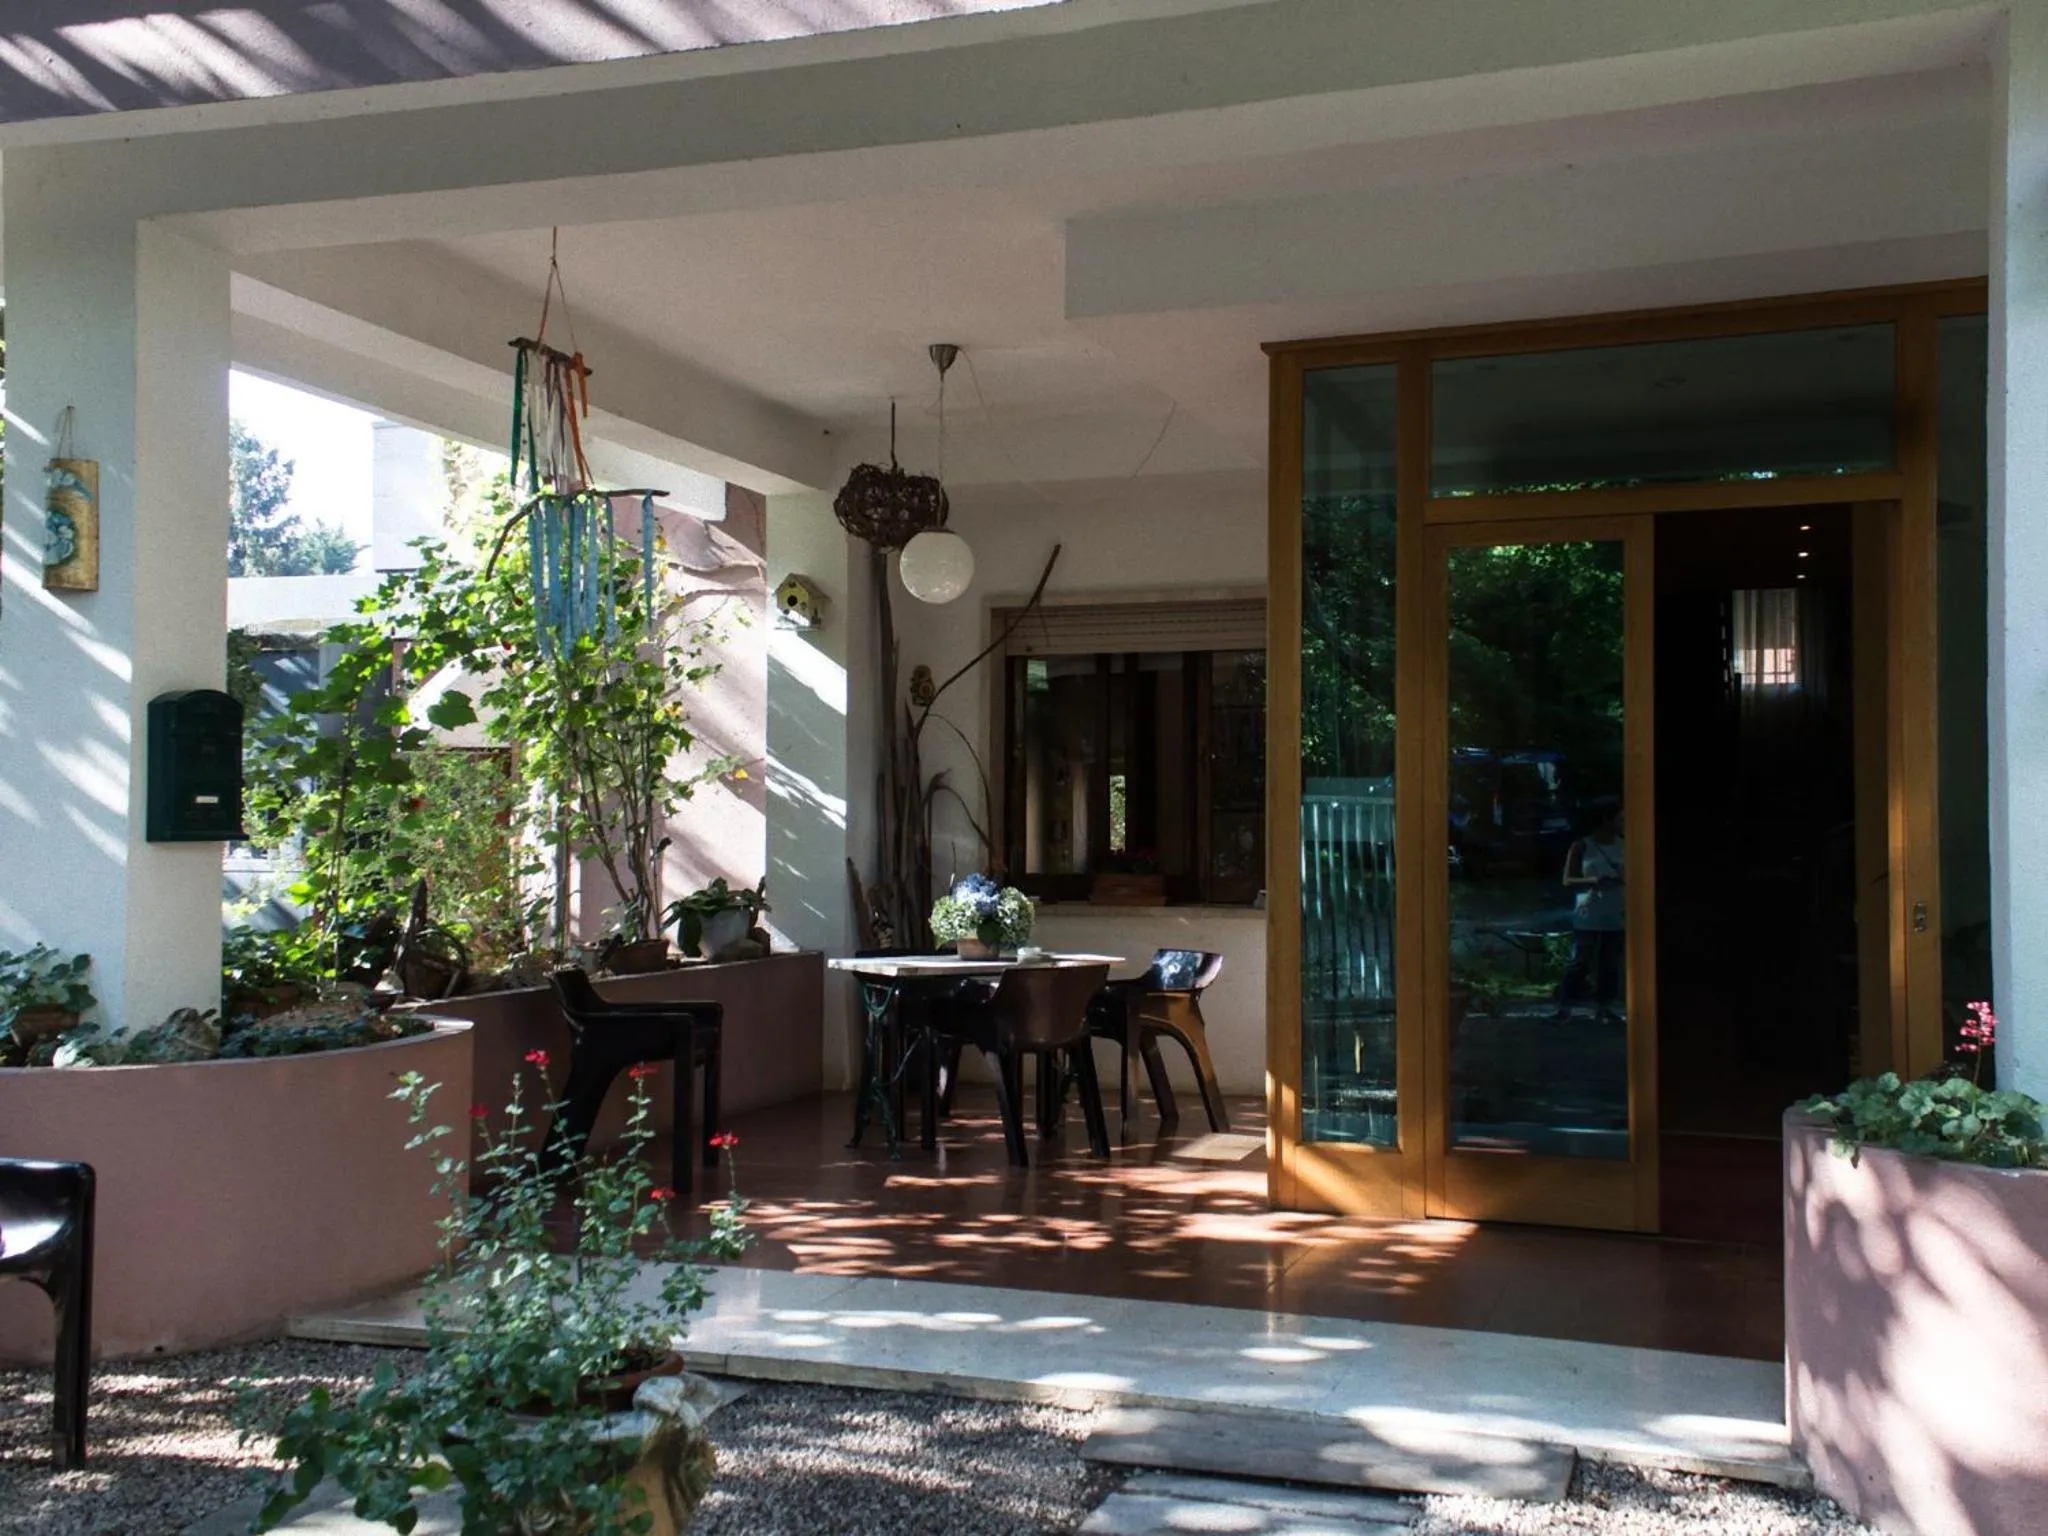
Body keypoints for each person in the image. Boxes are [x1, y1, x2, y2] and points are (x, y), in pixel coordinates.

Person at [1556, 804, 1625, 1022]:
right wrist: (1594, 881)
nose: (1623, 823)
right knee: (1581, 962)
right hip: (1588, 913)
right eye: (1619, 818)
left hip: (1615, 912)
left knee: (1610, 963)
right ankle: (1565, 1007)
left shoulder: (1625, 846)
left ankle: (1604, 1007)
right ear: (1605, 820)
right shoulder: (1582, 846)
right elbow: (1567, 880)